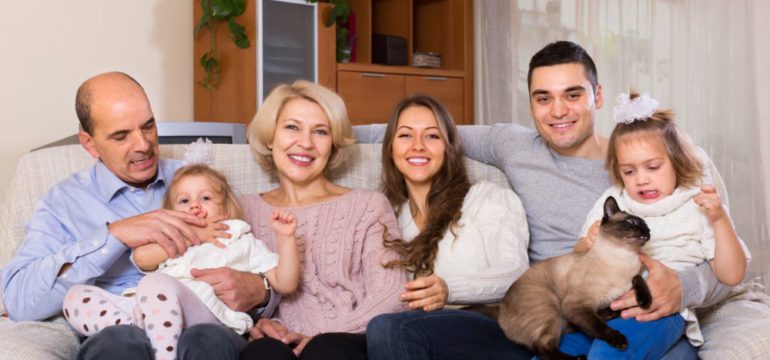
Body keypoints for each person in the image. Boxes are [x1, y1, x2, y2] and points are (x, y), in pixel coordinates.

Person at [355, 41, 733, 359]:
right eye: (543, 98)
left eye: (572, 95)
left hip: (637, 311)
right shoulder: (513, 145)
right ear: (531, 105)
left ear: (597, 96)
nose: (557, 111)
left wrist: (684, 285)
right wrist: (321, 136)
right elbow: (421, 133)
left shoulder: (648, 165)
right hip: (552, 313)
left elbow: (726, 265)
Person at [0, 72, 276, 360]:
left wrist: (262, 291)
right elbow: (19, 299)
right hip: (119, 325)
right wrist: (113, 236)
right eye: (121, 136)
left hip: (204, 319)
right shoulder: (64, 202)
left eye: (148, 126)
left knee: (205, 339)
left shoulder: (195, 182)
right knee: (120, 344)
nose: (143, 145)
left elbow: (247, 247)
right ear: (89, 143)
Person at [560, 91, 750, 357]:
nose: (641, 180)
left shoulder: (695, 204)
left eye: (652, 167)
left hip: (657, 310)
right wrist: (588, 243)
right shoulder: (615, 200)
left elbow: (732, 274)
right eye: (629, 171)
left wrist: (720, 220)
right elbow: (578, 254)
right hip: (600, 303)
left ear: (676, 161)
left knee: (607, 354)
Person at [63, 161, 301, 360]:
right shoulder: (172, 239)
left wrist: (286, 238)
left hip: (208, 313)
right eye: (184, 201)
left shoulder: (237, 237)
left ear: (225, 209)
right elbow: (141, 257)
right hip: (152, 309)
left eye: (205, 198)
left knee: (156, 283)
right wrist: (193, 235)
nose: (194, 205)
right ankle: (131, 325)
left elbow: (285, 282)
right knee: (75, 296)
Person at [238, 80, 406, 360]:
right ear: (270, 136)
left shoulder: (368, 205)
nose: (305, 143)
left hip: (345, 340)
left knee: (326, 350)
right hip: (275, 344)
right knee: (262, 353)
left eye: (320, 132)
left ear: (333, 145)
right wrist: (253, 325)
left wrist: (321, 335)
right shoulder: (242, 210)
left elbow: (392, 294)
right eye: (292, 127)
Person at [365, 94, 532, 359]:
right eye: (405, 135)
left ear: (449, 146)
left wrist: (449, 288)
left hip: (494, 329)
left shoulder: (487, 198)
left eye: (432, 136)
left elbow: (516, 273)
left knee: (387, 329)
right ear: (390, 148)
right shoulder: (388, 218)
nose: (417, 146)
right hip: (422, 336)